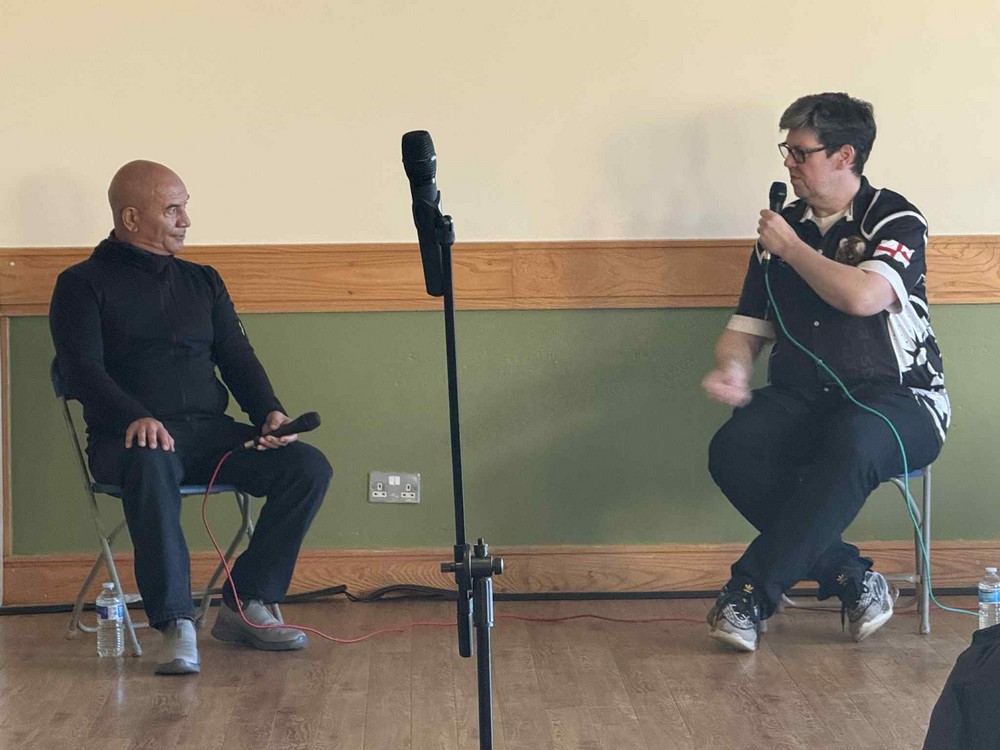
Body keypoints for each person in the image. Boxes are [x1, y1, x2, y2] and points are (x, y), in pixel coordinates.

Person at [49, 160, 332, 675]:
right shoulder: (81, 284)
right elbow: (80, 370)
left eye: (185, 207)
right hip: (126, 442)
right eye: (172, 209)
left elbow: (237, 358)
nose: (186, 220)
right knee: (152, 459)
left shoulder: (203, 280)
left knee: (306, 466)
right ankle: (176, 622)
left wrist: (269, 413)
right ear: (131, 218)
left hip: (210, 435)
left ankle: (246, 604)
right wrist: (135, 417)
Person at [701, 93, 950, 652]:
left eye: (800, 152)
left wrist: (793, 250)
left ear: (844, 155)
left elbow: (864, 296)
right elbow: (746, 327)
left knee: (853, 442)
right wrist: (733, 369)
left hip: (900, 400)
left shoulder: (895, 218)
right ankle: (850, 576)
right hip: (804, 396)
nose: (788, 162)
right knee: (734, 450)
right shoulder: (782, 232)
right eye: (786, 150)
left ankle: (748, 593)